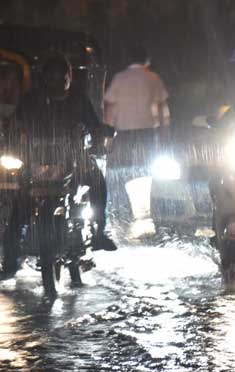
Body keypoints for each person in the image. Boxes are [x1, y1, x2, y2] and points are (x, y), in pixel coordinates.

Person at [12, 53, 116, 251]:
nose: (56, 81)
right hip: (36, 159)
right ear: (44, 78)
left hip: (74, 157)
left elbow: (93, 125)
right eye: (52, 76)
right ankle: (14, 240)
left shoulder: (78, 100)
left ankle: (100, 231)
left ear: (69, 77)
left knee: (97, 182)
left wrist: (102, 133)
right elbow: (15, 124)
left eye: (61, 76)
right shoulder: (32, 99)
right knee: (16, 192)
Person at [103, 45, 170, 233]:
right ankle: (144, 215)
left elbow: (110, 108)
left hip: (123, 134)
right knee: (145, 172)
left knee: (124, 171)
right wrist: (165, 134)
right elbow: (162, 108)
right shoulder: (153, 78)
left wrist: (108, 134)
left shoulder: (119, 78)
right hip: (147, 133)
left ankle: (122, 214)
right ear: (147, 60)